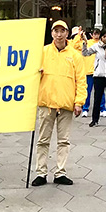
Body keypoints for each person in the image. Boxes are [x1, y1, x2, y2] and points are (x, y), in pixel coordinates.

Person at [31, 20, 85, 187]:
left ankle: (60, 172)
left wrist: (79, 102)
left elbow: (81, 80)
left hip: (66, 104)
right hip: (46, 103)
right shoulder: (43, 52)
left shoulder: (75, 55)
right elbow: (32, 73)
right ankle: (41, 172)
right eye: (56, 31)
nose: (59, 34)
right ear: (52, 33)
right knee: (43, 140)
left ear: (67, 33)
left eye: (62, 31)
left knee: (63, 140)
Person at [83, 28, 106, 128]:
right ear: (101, 37)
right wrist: (84, 43)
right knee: (97, 98)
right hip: (99, 75)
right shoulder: (97, 46)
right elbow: (85, 53)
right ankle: (95, 120)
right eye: (104, 36)